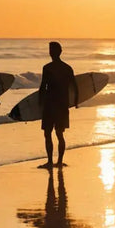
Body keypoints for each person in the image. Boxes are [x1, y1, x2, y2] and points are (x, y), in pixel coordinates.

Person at [38, 41, 77, 169]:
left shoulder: (47, 68)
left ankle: (50, 161)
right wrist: (76, 101)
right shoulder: (67, 68)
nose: (50, 52)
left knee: (48, 133)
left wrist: (39, 102)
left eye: (51, 50)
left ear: (55, 52)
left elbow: (43, 87)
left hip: (50, 105)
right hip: (62, 105)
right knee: (59, 134)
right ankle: (59, 162)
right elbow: (74, 86)